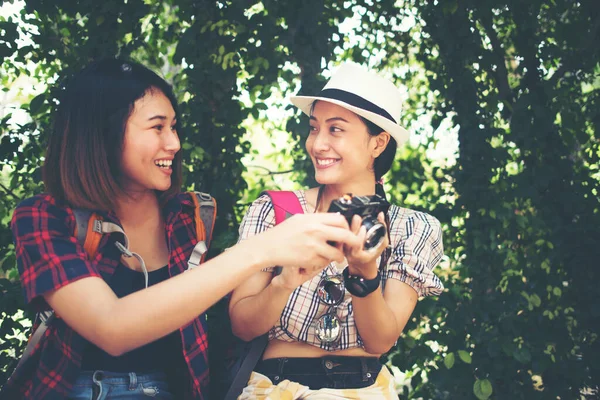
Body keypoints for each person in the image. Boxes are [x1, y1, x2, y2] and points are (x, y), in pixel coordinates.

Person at [2, 58, 361, 400]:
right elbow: (111, 328)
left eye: (173, 127)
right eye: (157, 127)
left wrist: (288, 280)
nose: (174, 143)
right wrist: (260, 250)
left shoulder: (190, 215)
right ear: (103, 133)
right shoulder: (43, 218)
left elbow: (221, 325)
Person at [229, 63, 445, 399]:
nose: (317, 144)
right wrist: (285, 282)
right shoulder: (276, 211)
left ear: (378, 144)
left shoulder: (411, 228)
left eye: (336, 130)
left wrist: (365, 275)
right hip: (274, 388)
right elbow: (242, 325)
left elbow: (381, 340)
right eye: (314, 128)